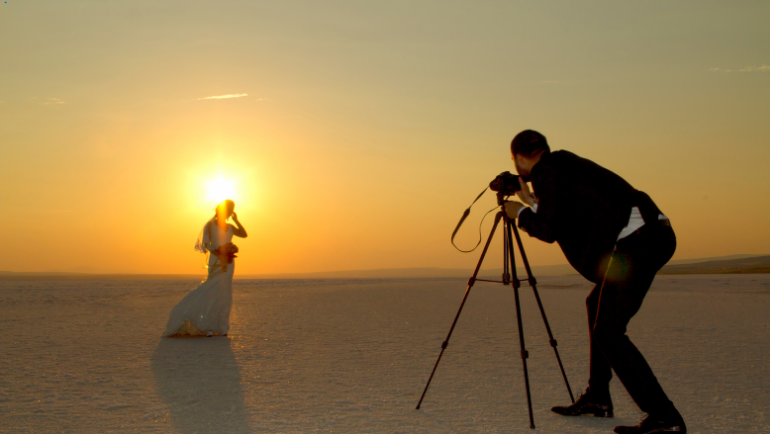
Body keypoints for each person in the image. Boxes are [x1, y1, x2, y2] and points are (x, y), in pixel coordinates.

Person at [503, 130, 685, 434]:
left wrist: (519, 213)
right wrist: (530, 201)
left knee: (609, 331)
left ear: (520, 158)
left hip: (639, 242)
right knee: (596, 306)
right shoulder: (563, 165)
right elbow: (566, 214)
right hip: (650, 235)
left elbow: (548, 229)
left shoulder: (547, 170)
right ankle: (598, 398)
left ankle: (665, 419)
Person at [163, 199, 248, 337]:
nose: (229, 213)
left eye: (232, 210)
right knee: (211, 290)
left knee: (224, 294)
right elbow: (206, 244)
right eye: (228, 210)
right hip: (217, 261)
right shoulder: (210, 225)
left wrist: (236, 220)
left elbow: (244, 234)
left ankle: (221, 328)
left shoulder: (231, 227)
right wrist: (220, 253)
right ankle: (206, 325)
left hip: (229, 262)